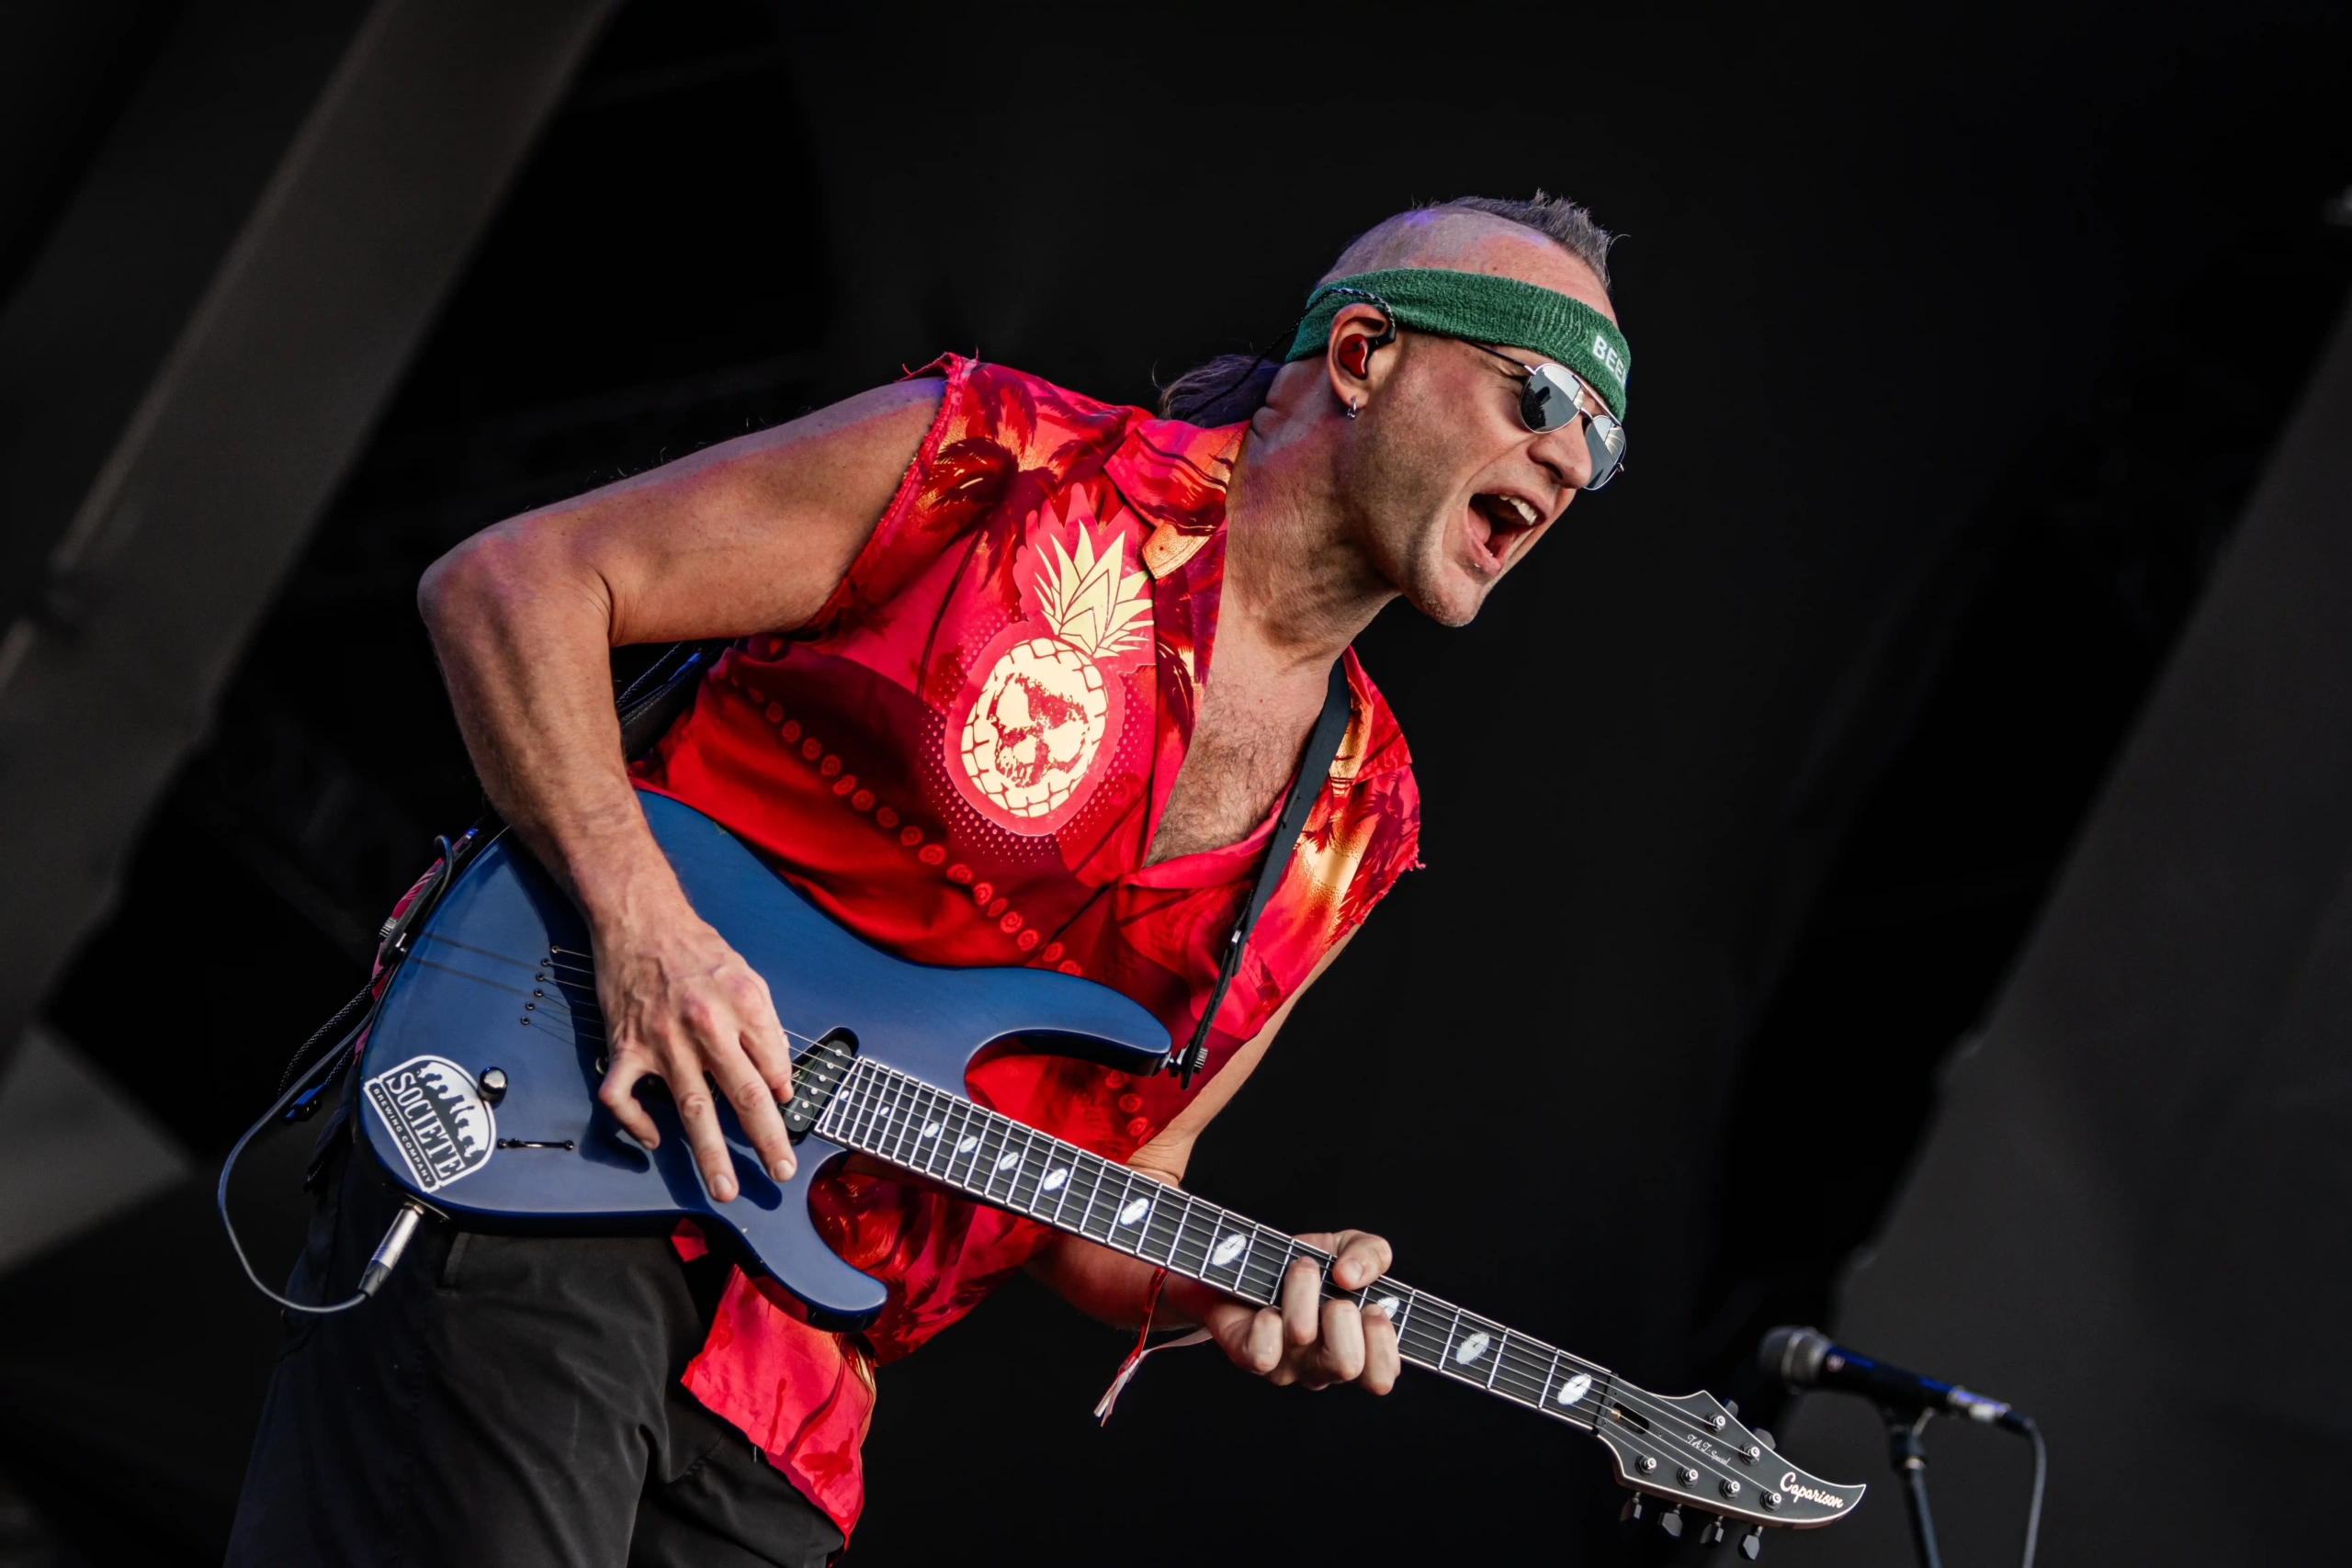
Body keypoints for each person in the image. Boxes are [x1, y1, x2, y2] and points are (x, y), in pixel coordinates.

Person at [226, 191, 1631, 1567]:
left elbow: (1124, 1178)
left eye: (1603, 445)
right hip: (569, 1146)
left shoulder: (1359, 817)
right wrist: (646, 927)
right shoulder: (1008, 465)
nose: (1569, 460)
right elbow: (512, 587)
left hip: (791, 1396)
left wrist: (1232, 1287)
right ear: (1363, 353)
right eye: (1542, 395)